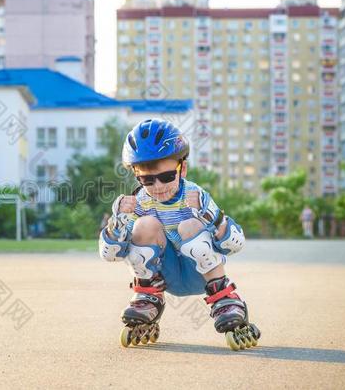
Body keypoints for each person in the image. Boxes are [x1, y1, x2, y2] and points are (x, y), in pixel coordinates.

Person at [98, 119, 259, 350]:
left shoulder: (196, 195)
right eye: (147, 179)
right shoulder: (138, 202)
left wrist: (211, 215)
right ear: (136, 175)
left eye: (166, 177)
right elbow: (110, 255)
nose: (158, 186)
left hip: (201, 273)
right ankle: (147, 296)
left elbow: (234, 245)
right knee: (144, 225)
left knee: (188, 226)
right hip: (165, 276)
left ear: (182, 168)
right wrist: (118, 222)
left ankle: (224, 297)